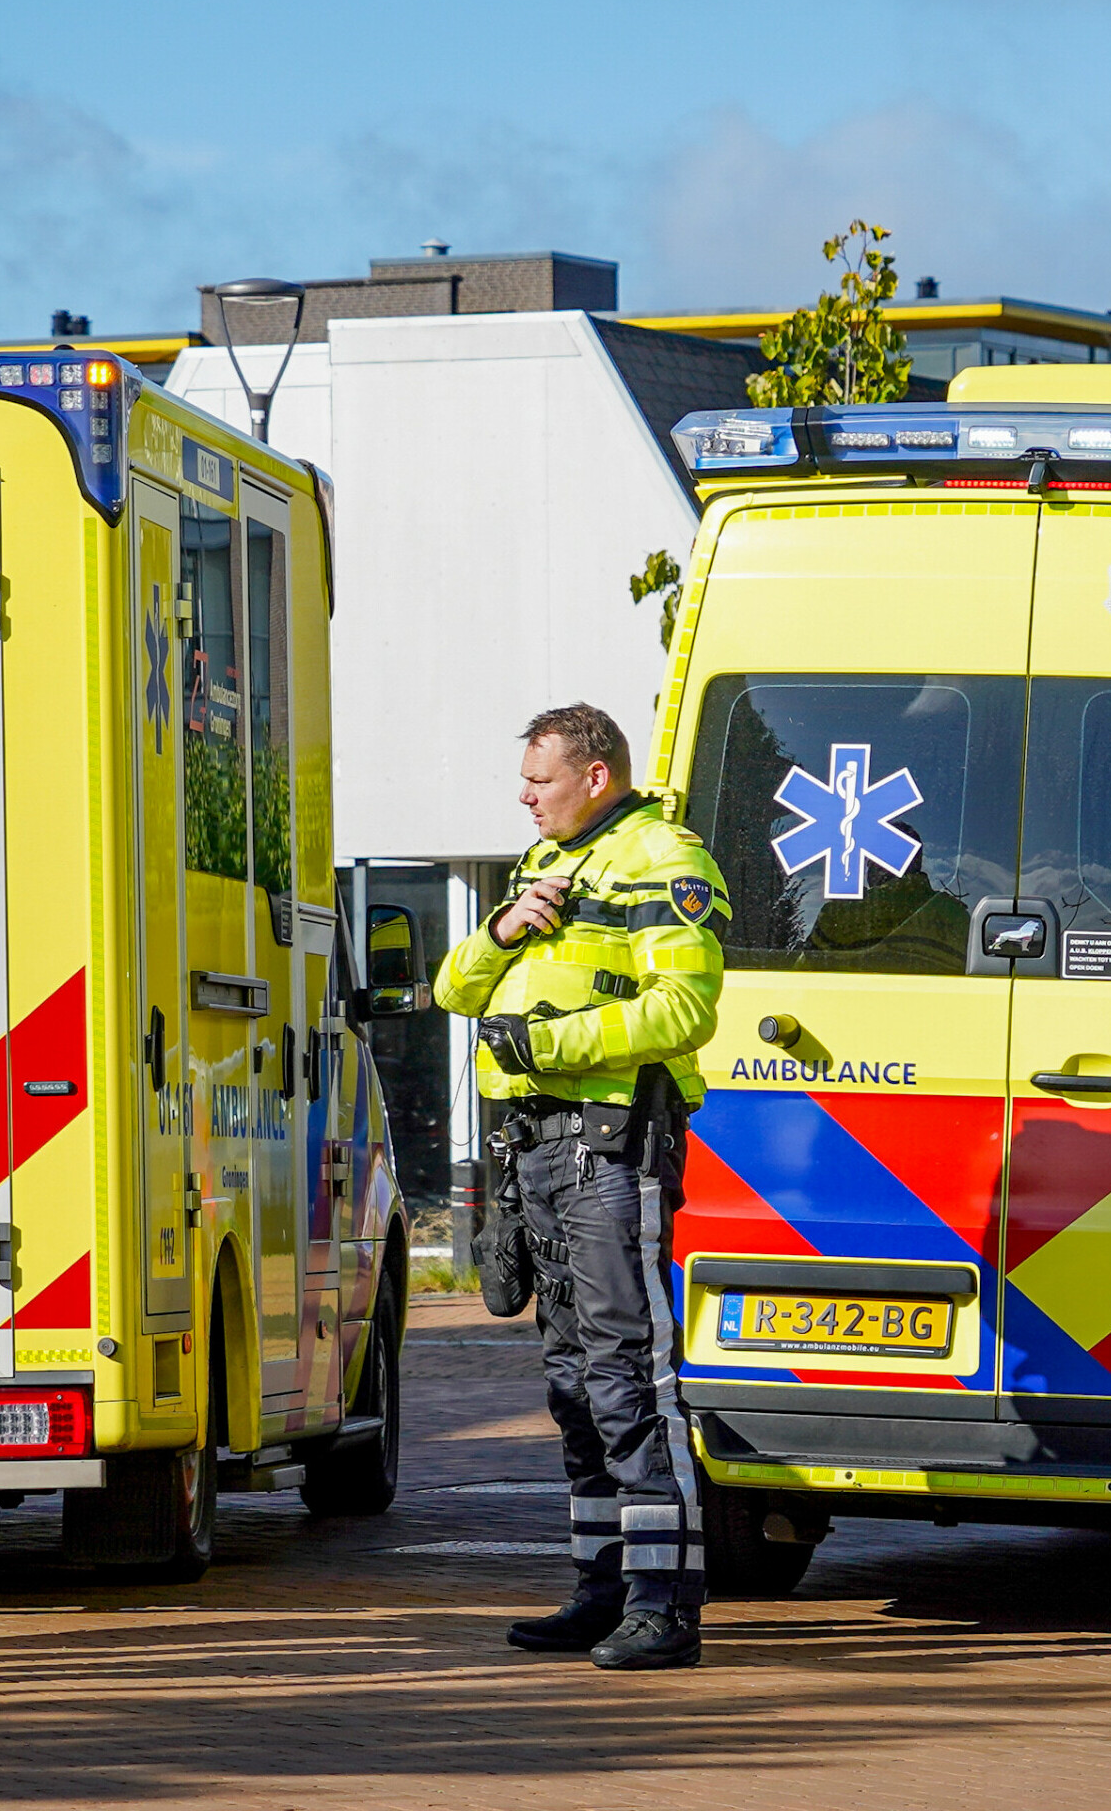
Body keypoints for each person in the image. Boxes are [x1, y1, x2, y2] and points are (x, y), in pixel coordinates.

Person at [435, 704, 726, 1671]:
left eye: (539, 780)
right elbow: (454, 990)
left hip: (612, 1143)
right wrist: (499, 929)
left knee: (627, 1374)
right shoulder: (546, 863)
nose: (524, 797)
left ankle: (663, 1606)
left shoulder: (661, 859)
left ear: (594, 776)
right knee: (570, 1382)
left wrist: (548, 1046)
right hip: (539, 1149)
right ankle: (601, 1591)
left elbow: (684, 1008)